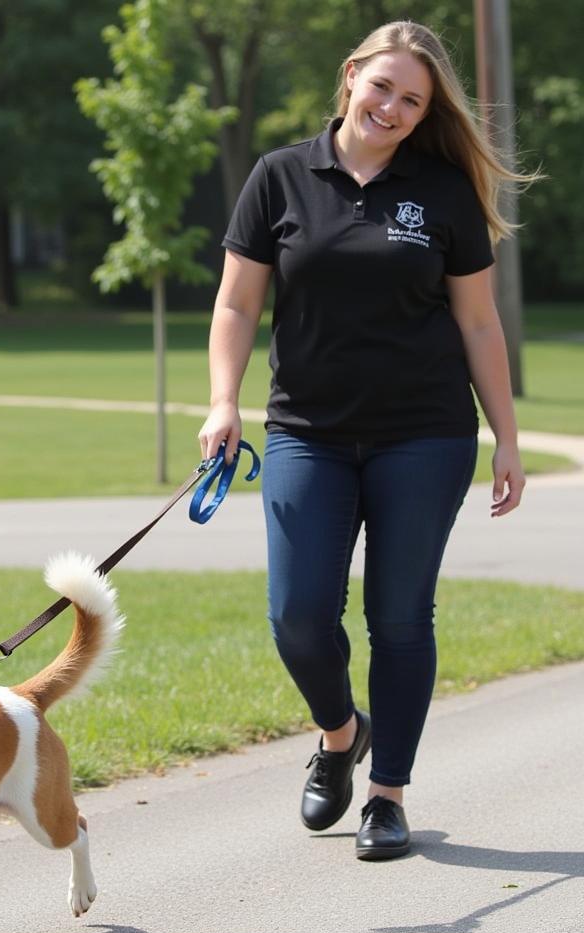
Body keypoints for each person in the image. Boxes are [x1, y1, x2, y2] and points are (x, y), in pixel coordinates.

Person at [199, 20, 536, 860]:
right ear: (351, 78)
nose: (392, 106)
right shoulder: (280, 176)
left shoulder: (444, 193)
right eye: (382, 86)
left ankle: (387, 796)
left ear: (426, 115)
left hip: (424, 435)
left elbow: (479, 322)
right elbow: (238, 304)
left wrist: (507, 437)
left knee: (400, 618)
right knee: (298, 615)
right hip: (307, 433)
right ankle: (342, 732)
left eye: (412, 100)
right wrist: (221, 403)